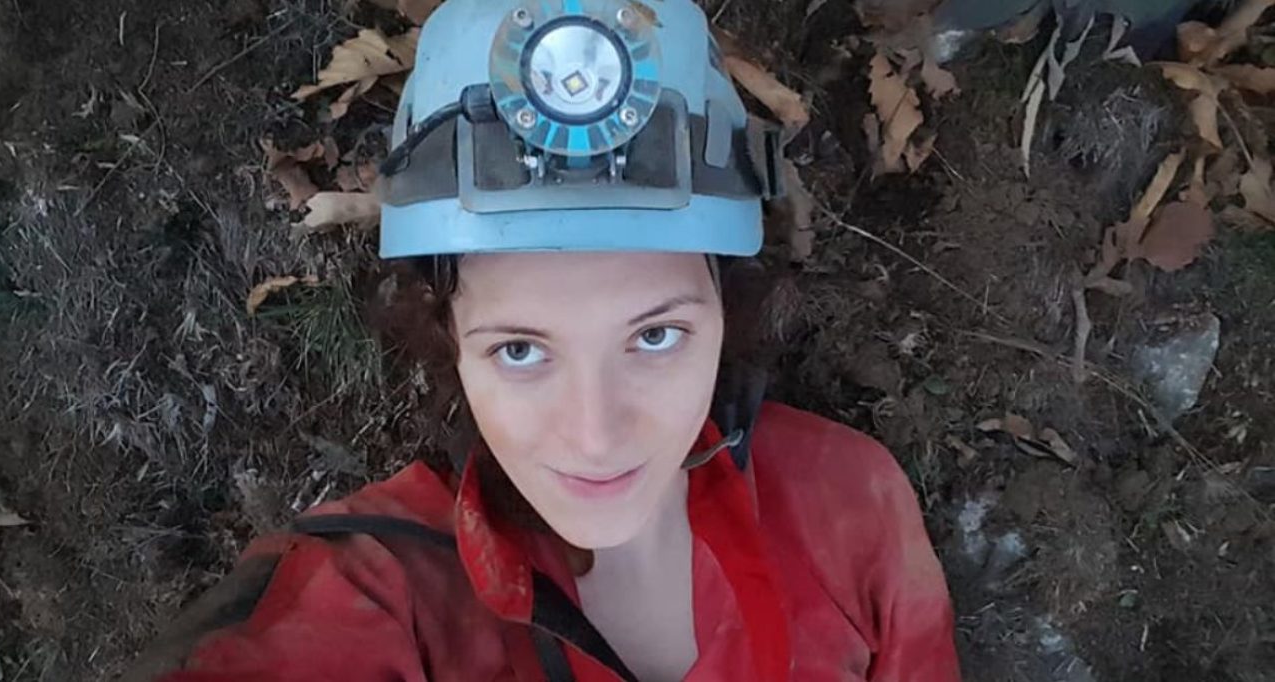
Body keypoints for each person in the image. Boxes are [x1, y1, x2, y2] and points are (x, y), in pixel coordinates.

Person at [125, 0, 960, 680]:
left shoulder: (851, 504)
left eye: (656, 335)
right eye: (520, 350)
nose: (595, 436)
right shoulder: (378, 593)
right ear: (449, 335)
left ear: (725, 306)